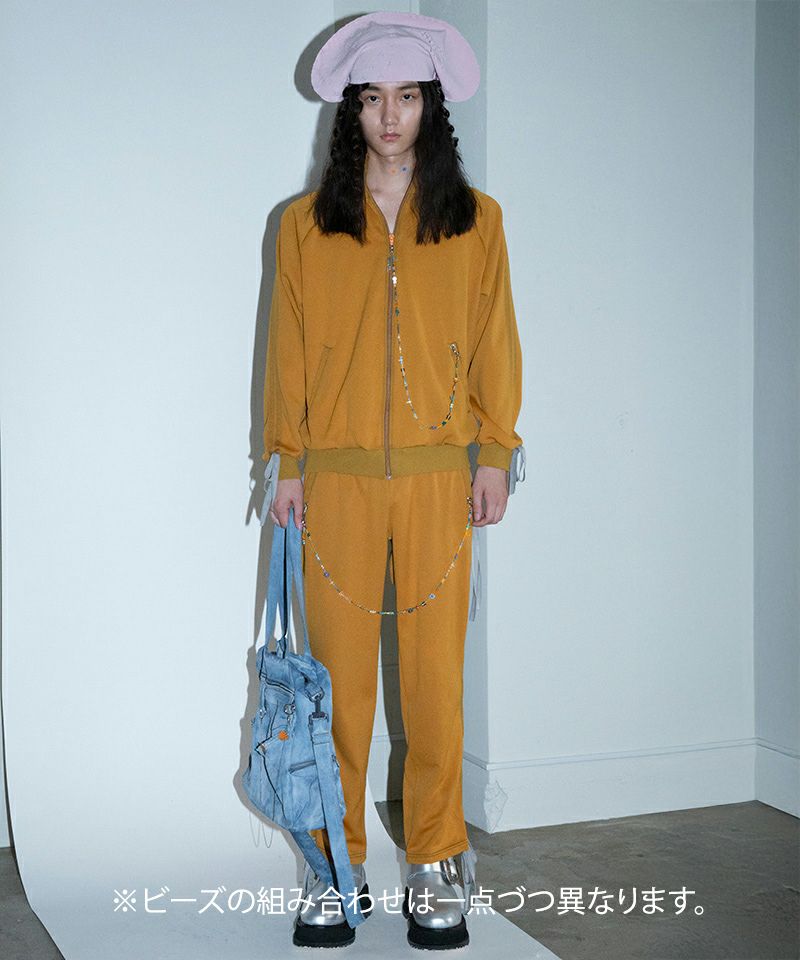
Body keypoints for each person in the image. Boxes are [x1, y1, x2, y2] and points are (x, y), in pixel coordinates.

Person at [261, 10, 524, 950]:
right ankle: (335, 866)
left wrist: (494, 452)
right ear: (351, 111)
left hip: (436, 482)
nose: (388, 116)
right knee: (336, 687)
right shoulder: (305, 226)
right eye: (372, 99)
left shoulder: (477, 221)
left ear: (431, 107)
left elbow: (495, 339)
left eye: (407, 97)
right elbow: (288, 351)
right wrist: (287, 459)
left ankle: (437, 859)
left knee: (435, 687)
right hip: (333, 483)